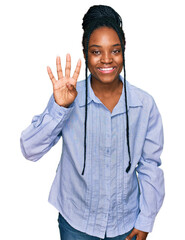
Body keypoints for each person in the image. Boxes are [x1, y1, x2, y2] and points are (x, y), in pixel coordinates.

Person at [20, 5, 165, 240]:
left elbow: (149, 165)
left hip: (125, 225)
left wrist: (146, 220)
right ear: (85, 53)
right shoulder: (67, 98)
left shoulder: (144, 105)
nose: (107, 59)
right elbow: (29, 149)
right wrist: (60, 108)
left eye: (115, 50)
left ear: (124, 51)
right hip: (76, 223)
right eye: (96, 51)